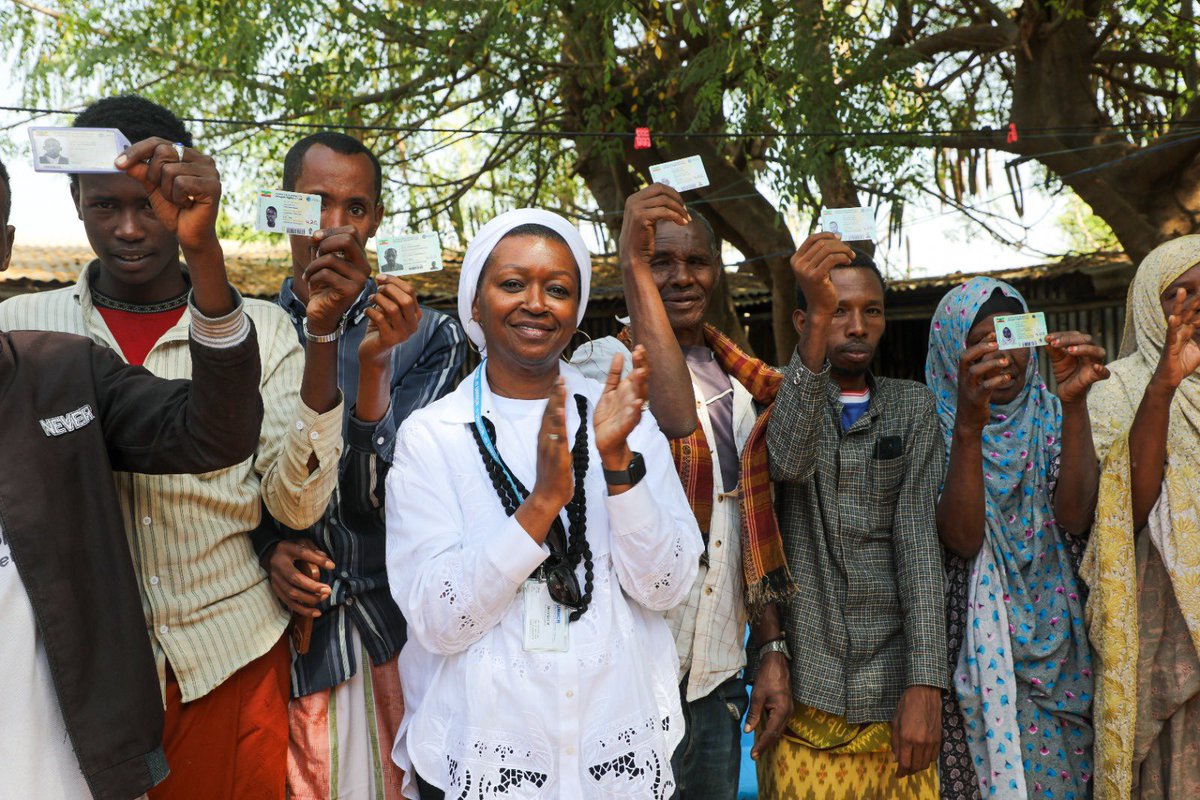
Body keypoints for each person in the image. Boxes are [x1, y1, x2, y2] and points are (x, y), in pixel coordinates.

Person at [0, 95, 352, 799]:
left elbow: (292, 500)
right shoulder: (27, 334)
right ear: (74, 201)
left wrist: (319, 341)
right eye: (105, 205)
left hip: (226, 654)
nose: (130, 229)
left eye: (150, 206)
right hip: (70, 679)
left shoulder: (261, 329)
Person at [384, 208, 704, 799]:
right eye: (512, 284)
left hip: (615, 750)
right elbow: (436, 620)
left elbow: (668, 588)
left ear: (575, 311)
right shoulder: (433, 435)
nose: (536, 303)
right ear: (474, 304)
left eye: (557, 289)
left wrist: (617, 469)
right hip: (486, 752)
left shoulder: (623, 419)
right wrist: (539, 507)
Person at [0, 141, 263, 798]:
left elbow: (215, 432)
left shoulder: (60, 372)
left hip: (66, 763)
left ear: (3, 246)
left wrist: (203, 253)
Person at [249, 131, 466, 800]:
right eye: (315, 204)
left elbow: (397, 502)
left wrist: (373, 370)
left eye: (355, 208)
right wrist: (267, 548)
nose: (335, 228)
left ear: (373, 220)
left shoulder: (430, 337)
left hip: (387, 638)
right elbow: (214, 482)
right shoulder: (243, 330)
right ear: (283, 209)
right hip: (264, 640)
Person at [571, 184, 794, 797]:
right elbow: (668, 420)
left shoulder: (745, 383)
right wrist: (629, 262)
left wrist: (769, 646)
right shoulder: (600, 367)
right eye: (659, 262)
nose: (681, 277)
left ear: (716, 271)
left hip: (716, 675)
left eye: (695, 261)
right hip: (627, 676)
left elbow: (752, 525)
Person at [760, 232, 948, 799]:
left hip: (894, 691)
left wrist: (925, 683)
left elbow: (919, 551)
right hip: (803, 689)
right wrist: (818, 331)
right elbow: (788, 462)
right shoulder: (779, 402)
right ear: (803, 319)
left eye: (872, 311)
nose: (858, 326)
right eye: (836, 310)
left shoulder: (911, 406)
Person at [927, 277, 1106, 800]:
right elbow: (961, 539)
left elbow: (1075, 517)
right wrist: (969, 423)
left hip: (1064, 659)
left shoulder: (1052, 415)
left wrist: (1075, 406)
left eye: (1013, 337)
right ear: (951, 350)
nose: (1002, 356)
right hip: (977, 655)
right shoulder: (930, 425)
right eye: (982, 342)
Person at [1084, 236, 1200, 800]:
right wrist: (1164, 384)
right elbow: (1116, 513)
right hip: (1161, 646)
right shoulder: (1117, 387)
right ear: (1150, 307)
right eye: (1182, 295)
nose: (1195, 310)